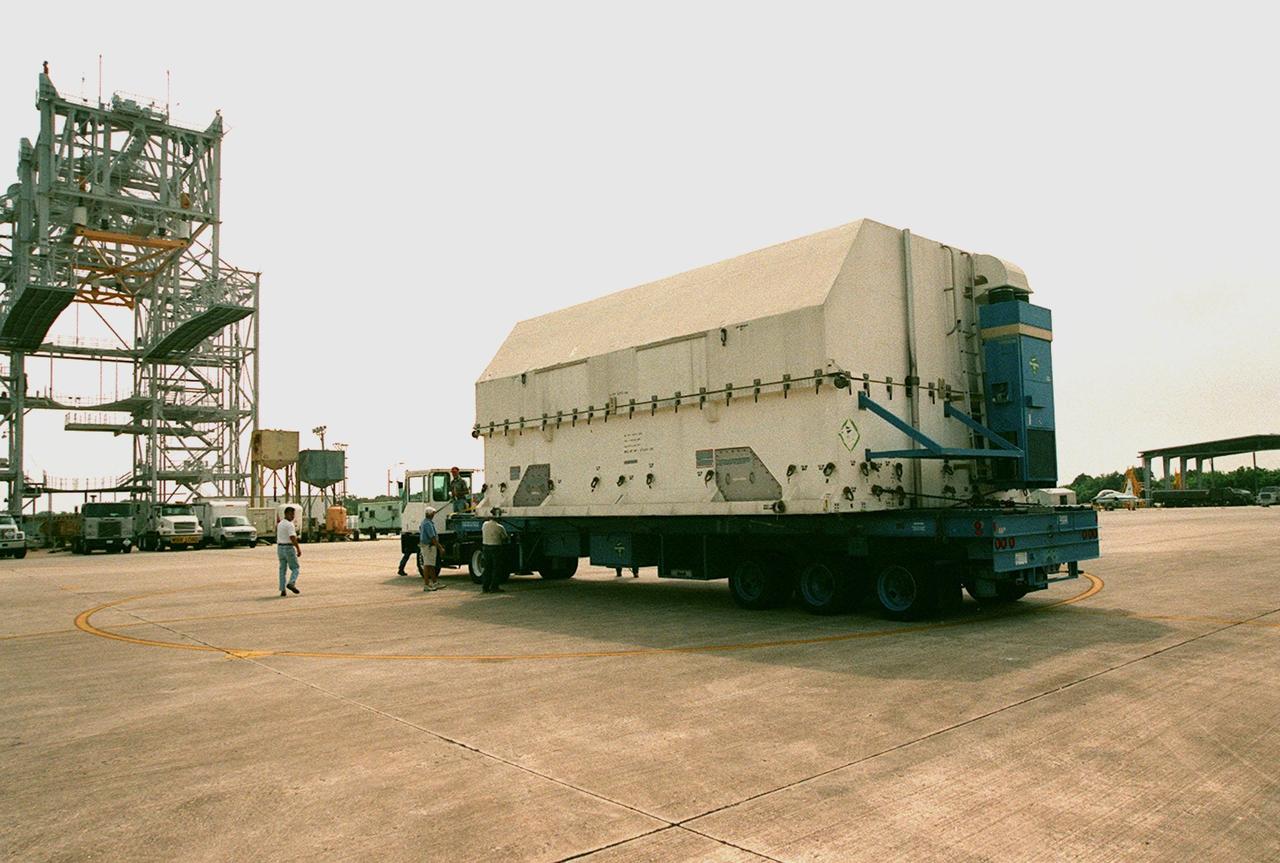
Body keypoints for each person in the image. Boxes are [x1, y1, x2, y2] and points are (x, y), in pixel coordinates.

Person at [418, 507, 446, 591]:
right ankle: (426, 585)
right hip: (428, 547)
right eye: (433, 513)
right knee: (427, 565)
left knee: (431, 565)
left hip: (428, 546)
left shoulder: (425, 522)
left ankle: (434, 582)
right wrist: (440, 548)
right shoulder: (428, 524)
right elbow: (432, 537)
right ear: (430, 514)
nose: (434, 514)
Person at [480, 515, 509, 594]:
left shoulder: (485, 524)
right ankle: (494, 587)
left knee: (487, 568)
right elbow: (505, 537)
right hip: (496, 548)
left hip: (486, 547)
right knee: (496, 568)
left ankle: (485, 587)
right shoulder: (500, 527)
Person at [276, 507, 301, 596]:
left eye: (293, 514)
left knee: (282, 569)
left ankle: (282, 589)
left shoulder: (280, 524)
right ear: (286, 514)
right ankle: (291, 582)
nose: (293, 516)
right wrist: (298, 548)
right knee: (295, 568)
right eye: (291, 514)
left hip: (280, 548)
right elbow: (292, 538)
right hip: (288, 548)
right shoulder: (289, 524)